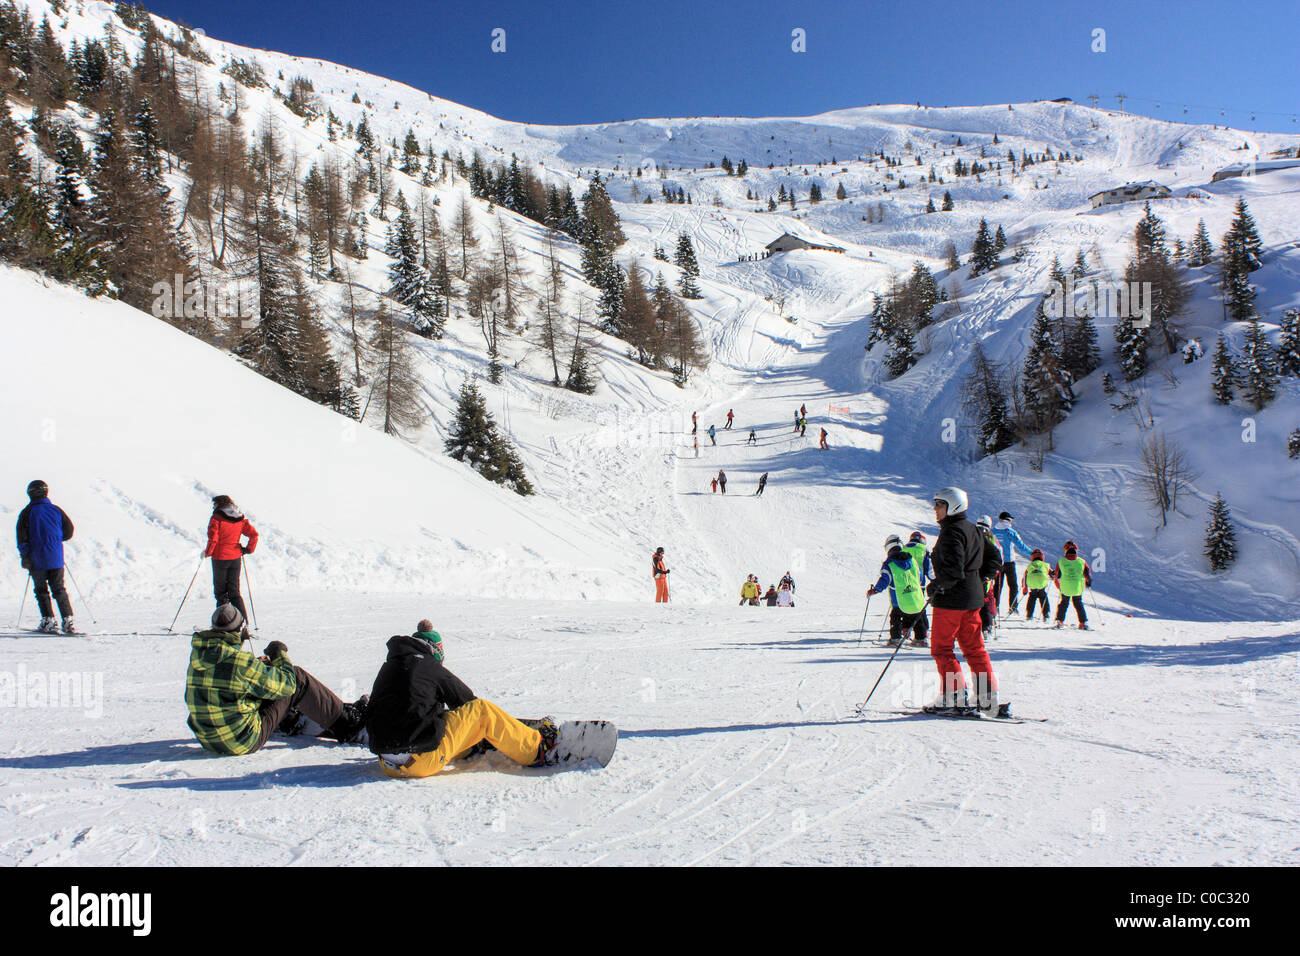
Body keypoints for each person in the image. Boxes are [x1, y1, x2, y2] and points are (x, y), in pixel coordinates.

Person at [366, 622, 559, 777]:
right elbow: (467, 702)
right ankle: (536, 749)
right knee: (482, 711)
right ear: (435, 649)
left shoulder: (388, 668)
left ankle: (466, 750)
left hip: (387, 764)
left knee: (437, 716)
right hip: (422, 762)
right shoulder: (430, 666)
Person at [185, 603, 368, 755]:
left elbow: (223, 682)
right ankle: (350, 725)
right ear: (238, 630)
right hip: (240, 741)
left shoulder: (199, 657)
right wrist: (279, 655)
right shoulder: (240, 663)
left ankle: (290, 720)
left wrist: (258, 666)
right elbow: (288, 684)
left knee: (262, 680)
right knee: (297, 677)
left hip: (208, 739)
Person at [927, 487, 1001, 715]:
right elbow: (995, 557)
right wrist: (979, 579)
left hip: (951, 602)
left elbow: (953, 570)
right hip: (972, 600)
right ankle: (987, 697)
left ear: (952, 506)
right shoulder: (973, 529)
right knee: (975, 649)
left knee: (942, 649)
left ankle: (953, 696)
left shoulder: (951, 533)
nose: (935, 508)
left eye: (940, 504)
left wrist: (936, 586)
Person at [16, 480, 77, 634]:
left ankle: (48, 620)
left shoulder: (27, 512)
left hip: (36, 559)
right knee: (59, 589)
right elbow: (69, 531)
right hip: (55, 557)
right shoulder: (56, 510)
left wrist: (25, 556)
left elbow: (22, 537)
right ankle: (68, 620)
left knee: (41, 590)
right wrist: (55, 540)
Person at [204, 495, 258, 625]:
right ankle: (243, 623)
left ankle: (222, 624)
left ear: (219, 504)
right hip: (235, 558)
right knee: (235, 592)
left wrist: (207, 553)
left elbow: (214, 538)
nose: (213, 507)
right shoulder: (240, 518)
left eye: (214, 504)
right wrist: (248, 549)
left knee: (221, 593)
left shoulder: (216, 518)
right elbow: (254, 535)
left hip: (220, 558)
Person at [867, 535, 929, 647]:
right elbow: (919, 575)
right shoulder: (912, 559)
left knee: (895, 617)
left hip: (898, 600)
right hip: (915, 597)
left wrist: (875, 590)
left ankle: (896, 638)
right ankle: (921, 639)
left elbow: (885, 579)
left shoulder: (889, 563)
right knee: (917, 616)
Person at [992, 512, 1033, 615]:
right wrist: (1032, 554)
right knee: (1013, 585)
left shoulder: (992, 531)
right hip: (1009, 562)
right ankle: (1013, 608)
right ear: (1008, 520)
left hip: (997, 562)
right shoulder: (1010, 532)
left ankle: (995, 607)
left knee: (997, 586)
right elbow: (1021, 546)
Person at [1052, 541, 1092, 629]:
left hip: (1065, 587)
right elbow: (1087, 574)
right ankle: (1083, 623)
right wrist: (1088, 583)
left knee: (1064, 603)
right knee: (1078, 604)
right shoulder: (1082, 561)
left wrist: (1059, 586)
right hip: (1077, 587)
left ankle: (1060, 621)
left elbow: (1057, 575)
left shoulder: (1061, 561)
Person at [975, 515, 1003, 639]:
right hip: (988, 574)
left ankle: (980, 624)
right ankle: (988, 623)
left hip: (974, 572)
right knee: (987, 597)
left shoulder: (973, 536)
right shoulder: (993, 539)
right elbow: (998, 556)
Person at [1021, 548, 1052, 622]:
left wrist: (1025, 588)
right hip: (1041, 583)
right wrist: (1053, 575)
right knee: (1043, 597)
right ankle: (1046, 614)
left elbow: (1025, 576)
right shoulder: (1045, 565)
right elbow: (1051, 573)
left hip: (1032, 583)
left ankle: (1029, 614)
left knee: (1032, 597)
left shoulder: (1030, 565)